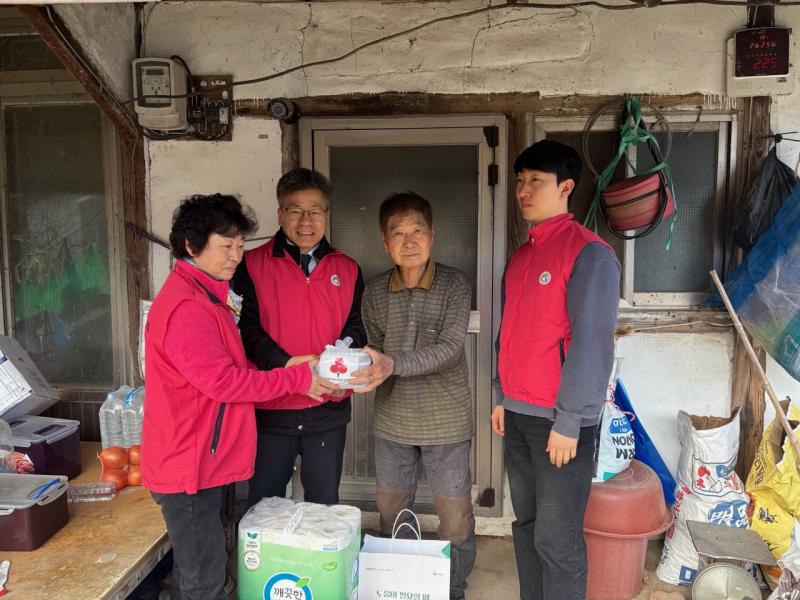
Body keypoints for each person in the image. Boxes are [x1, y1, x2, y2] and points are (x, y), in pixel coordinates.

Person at [141, 193, 338, 600]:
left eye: (240, 245)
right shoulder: (188, 308)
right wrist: (296, 379)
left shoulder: (210, 295)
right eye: (226, 245)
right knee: (203, 581)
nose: (236, 255)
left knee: (203, 568)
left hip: (205, 459)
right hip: (190, 466)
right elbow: (225, 383)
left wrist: (286, 369)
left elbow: (234, 370)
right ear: (192, 247)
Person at [491, 140, 620, 600]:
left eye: (536, 182)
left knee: (557, 538)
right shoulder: (523, 256)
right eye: (521, 181)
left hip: (560, 424)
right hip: (519, 414)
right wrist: (500, 395)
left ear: (565, 187)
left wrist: (570, 420)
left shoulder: (589, 254)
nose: (523, 191)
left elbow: (591, 345)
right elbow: (510, 333)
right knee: (525, 526)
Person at [352, 192, 475, 600]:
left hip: (446, 421)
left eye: (417, 230)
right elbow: (375, 350)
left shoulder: (454, 284)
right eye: (398, 233)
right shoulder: (373, 293)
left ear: (432, 235)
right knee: (392, 512)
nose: (409, 241)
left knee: (454, 517)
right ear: (385, 243)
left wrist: (391, 365)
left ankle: (452, 587)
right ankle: (399, 583)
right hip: (392, 421)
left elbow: (450, 348)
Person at [233, 168, 366, 507]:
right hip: (271, 407)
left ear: (327, 215)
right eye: (295, 210)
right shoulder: (250, 265)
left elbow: (356, 327)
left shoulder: (348, 268)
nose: (306, 220)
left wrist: (338, 370)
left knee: (324, 508)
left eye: (315, 210)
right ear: (280, 214)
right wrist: (290, 368)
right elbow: (246, 329)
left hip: (328, 407)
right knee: (263, 508)